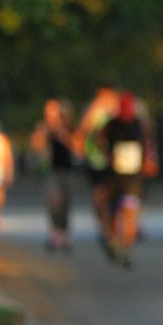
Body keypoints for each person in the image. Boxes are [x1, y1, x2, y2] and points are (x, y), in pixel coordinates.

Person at [96, 92, 147, 268]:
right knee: (113, 212)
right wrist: (107, 155)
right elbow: (99, 139)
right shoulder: (111, 124)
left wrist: (146, 160)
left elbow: (146, 143)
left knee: (129, 212)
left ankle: (126, 248)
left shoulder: (139, 124)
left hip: (132, 176)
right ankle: (113, 241)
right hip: (114, 176)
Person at [31, 99, 78, 253]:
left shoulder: (67, 127)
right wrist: (42, 134)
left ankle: (64, 233)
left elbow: (77, 147)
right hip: (51, 171)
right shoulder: (44, 128)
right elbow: (36, 146)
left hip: (66, 170)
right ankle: (55, 232)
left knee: (65, 203)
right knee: (53, 201)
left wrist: (63, 136)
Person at [77, 87, 120, 255]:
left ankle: (113, 229)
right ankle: (104, 227)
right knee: (99, 197)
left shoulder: (120, 110)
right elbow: (83, 131)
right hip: (97, 161)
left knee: (116, 198)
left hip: (118, 163)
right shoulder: (93, 111)